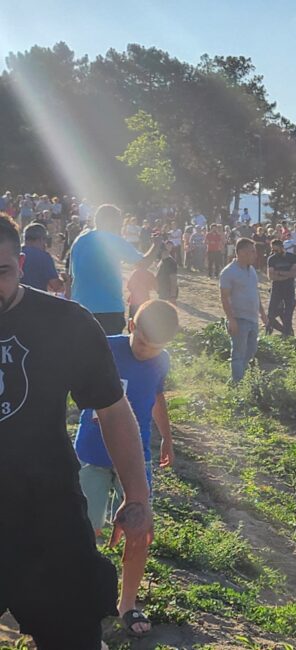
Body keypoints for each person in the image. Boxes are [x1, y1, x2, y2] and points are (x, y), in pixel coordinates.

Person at [0, 214, 153, 649]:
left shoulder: (66, 324)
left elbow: (112, 408)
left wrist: (137, 497)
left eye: (2, 272)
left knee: (72, 635)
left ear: (23, 265)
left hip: (47, 509)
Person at [74, 300, 179, 638]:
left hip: (136, 461)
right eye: (144, 342)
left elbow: (156, 398)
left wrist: (167, 437)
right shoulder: (105, 348)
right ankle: (81, 597)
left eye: (157, 347)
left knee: (139, 530)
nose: (148, 352)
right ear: (131, 326)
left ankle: (127, 603)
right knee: (84, 528)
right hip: (92, 454)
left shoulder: (161, 361)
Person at [70, 204, 158, 334]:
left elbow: (72, 274)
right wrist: (156, 245)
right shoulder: (111, 239)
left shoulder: (80, 240)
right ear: (110, 221)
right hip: (107, 308)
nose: (120, 226)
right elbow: (142, 263)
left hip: (80, 306)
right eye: (119, 221)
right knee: (109, 350)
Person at [220, 238, 268, 383]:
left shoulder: (252, 270)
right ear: (241, 252)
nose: (255, 254)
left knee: (251, 351)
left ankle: (237, 379)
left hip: (252, 318)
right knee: (238, 354)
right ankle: (237, 384)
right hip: (239, 319)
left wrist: (263, 314)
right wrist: (231, 319)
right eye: (251, 251)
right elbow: (225, 298)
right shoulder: (228, 272)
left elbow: (255, 293)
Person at [266, 239, 296, 337]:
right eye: (273, 250)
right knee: (271, 315)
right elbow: (271, 276)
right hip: (276, 288)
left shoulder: (292, 257)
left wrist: (279, 273)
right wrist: (286, 275)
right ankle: (283, 331)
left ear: (282, 248)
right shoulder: (271, 259)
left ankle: (288, 333)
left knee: (288, 314)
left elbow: (295, 273)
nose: (274, 253)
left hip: (289, 288)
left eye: (276, 250)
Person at [20, 223, 63, 293]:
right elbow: (56, 286)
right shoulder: (44, 257)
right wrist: (66, 281)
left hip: (13, 299)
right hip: (36, 299)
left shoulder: (14, 252)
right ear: (41, 239)